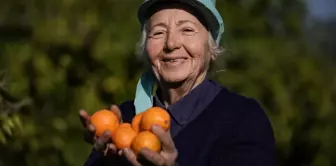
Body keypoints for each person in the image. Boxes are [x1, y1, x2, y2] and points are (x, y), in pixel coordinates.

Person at [80, 0, 276, 165]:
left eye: (187, 30)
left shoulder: (243, 118)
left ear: (211, 47)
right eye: (158, 32)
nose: (171, 44)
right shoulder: (124, 119)